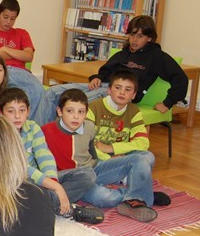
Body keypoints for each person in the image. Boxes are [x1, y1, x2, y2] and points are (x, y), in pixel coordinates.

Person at [42, 88, 168, 223]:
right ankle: (140, 195)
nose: (76, 116)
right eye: (69, 111)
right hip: (75, 180)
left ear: (86, 113)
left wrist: (108, 162)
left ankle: (138, 196)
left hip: (94, 169)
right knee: (106, 198)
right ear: (59, 111)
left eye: (81, 112)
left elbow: (92, 153)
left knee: (141, 158)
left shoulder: (89, 126)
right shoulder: (45, 131)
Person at [0, 88, 102, 224]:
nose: (17, 116)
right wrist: (56, 187)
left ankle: (47, 204)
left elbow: (44, 155)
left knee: (88, 174)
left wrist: (53, 181)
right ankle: (69, 210)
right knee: (23, 192)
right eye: (11, 111)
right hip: (17, 183)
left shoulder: (32, 127)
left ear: (28, 111)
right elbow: (22, 168)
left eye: (22, 110)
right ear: (0, 112)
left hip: (41, 182)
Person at [89, 15, 188, 113]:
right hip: (105, 86)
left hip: (121, 96)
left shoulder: (156, 56)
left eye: (140, 36)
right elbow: (106, 70)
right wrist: (98, 78)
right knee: (73, 88)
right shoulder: (123, 53)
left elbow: (181, 79)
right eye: (132, 35)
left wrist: (167, 103)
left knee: (78, 100)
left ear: (149, 38)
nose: (134, 40)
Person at [0, 0, 50, 124]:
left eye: (12, 18)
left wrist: (5, 49)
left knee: (37, 89)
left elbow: (29, 56)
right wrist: (18, 54)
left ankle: (32, 131)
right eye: (5, 17)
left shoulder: (22, 33)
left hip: (19, 72)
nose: (8, 22)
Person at [87, 70, 155, 165]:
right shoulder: (93, 107)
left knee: (148, 157)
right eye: (118, 88)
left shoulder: (134, 112)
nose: (122, 92)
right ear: (109, 90)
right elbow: (85, 144)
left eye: (128, 89)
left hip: (120, 154)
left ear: (134, 95)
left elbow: (143, 143)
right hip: (97, 157)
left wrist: (111, 148)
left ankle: (125, 177)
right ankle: (126, 177)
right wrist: (109, 158)